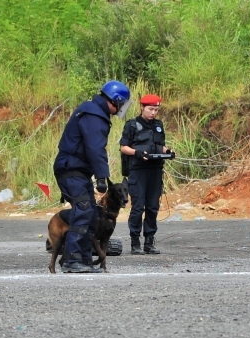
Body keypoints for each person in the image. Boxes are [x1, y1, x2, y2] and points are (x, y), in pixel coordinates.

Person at [53, 80, 131, 273]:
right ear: (116, 100)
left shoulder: (93, 111)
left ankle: (85, 259)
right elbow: (95, 148)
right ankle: (72, 260)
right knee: (84, 210)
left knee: (92, 214)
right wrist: (102, 177)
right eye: (122, 103)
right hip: (71, 170)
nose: (122, 108)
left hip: (76, 170)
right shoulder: (94, 115)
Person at [120, 94, 172, 255]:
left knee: (152, 207)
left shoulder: (158, 125)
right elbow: (124, 147)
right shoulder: (132, 125)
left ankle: (149, 241)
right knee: (138, 207)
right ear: (142, 107)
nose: (153, 113)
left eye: (156, 110)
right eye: (150, 109)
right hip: (138, 171)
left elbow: (160, 146)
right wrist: (137, 152)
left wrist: (168, 152)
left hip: (155, 170)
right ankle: (135, 242)